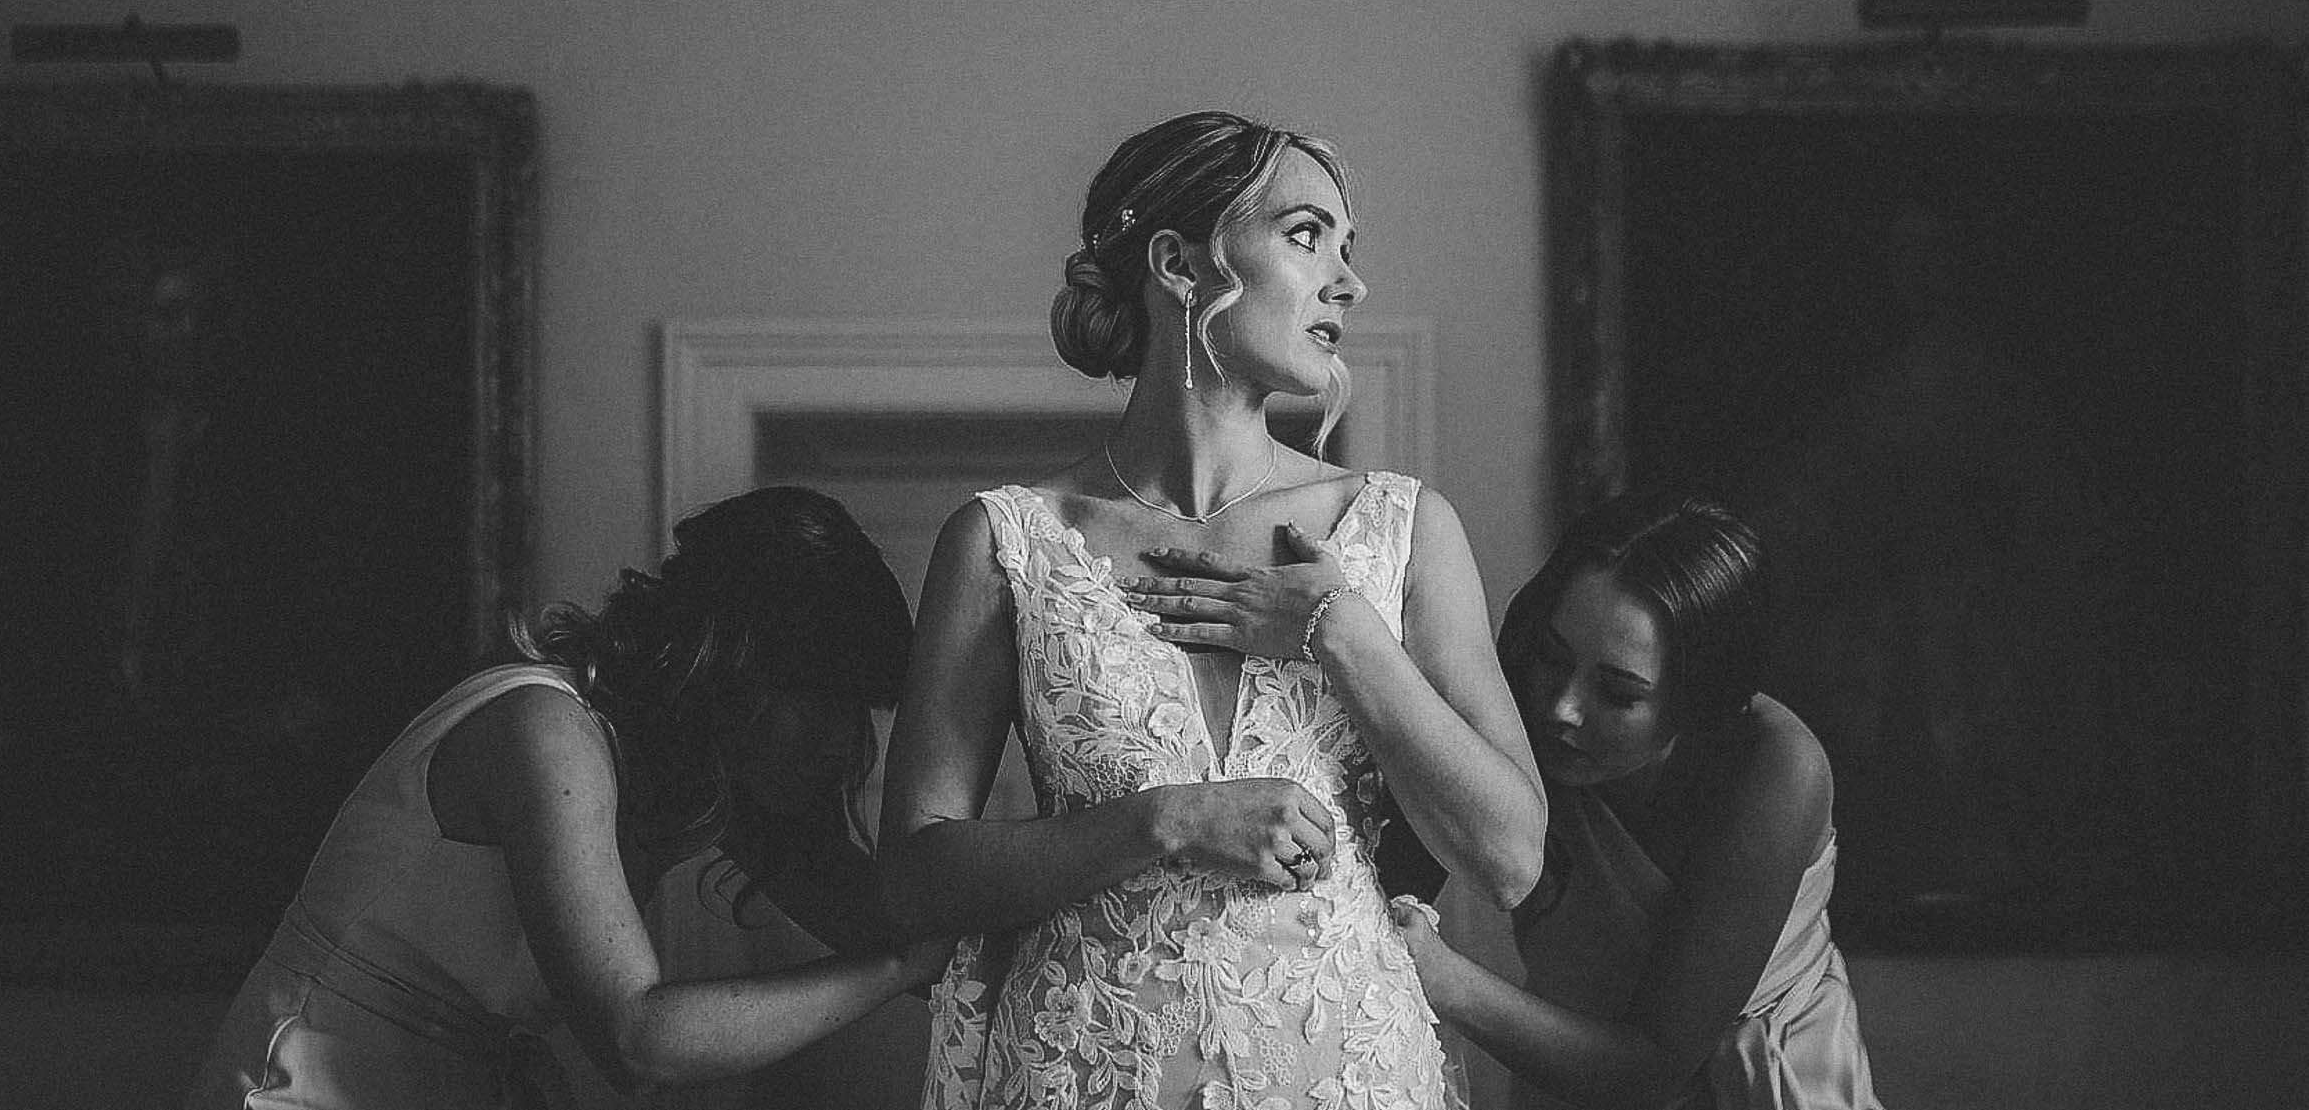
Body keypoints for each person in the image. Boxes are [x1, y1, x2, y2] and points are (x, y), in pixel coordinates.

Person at [879, 110, 1546, 1110]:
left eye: (1348, 248)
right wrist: (1168, 819)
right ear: (1180, 264)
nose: (1348, 283)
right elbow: (912, 878)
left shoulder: (1403, 529)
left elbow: (1511, 859)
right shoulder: (1006, 540)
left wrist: (1340, 628)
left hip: (1349, 1079)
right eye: (1306, 234)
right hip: (1080, 1076)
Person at [187, 484, 948, 1110]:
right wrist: (896, 968)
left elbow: (903, 917)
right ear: (731, 667)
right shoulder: (546, 730)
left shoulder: (693, 777)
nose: (844, 744)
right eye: (822, 704)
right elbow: (638, 1042)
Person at [1387, 497, 1884, 1110]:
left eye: (1618, 693)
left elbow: (1651, 1068)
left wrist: (1443, 977)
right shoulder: (1515, 710)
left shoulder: (1778, 767)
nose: (1562, 709)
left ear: (1698, 699)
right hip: (1564, 1079)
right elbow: (1386, 876)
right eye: (1554, 660)